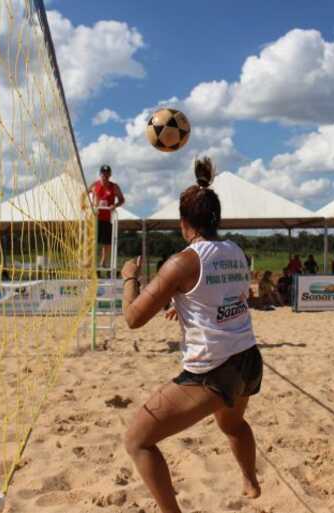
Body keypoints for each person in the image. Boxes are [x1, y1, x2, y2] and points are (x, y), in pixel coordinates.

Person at [119, 157, 263, 513]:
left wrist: (128, 277)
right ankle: (250, 479)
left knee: (137, 440)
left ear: (184, 224)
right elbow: (232, 297)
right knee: (232, 424)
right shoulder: (236, 251)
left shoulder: (182, 261)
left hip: (214, 371)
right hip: (249, 360)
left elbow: (133, 318)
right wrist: (183, 304)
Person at [90, 164, 125, 272]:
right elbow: (84, 195)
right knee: (93, 241)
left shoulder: (114, 186)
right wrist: (90, 205)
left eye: (107, 173)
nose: (105, 175)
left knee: (107, 242)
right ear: (100, 174)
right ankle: (91, 263)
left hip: (107, 217)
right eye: (103, 173)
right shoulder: (94, 185)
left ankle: (103, 263)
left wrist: (115, 205)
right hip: (95, 217)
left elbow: (122, 199)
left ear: (110, 174)